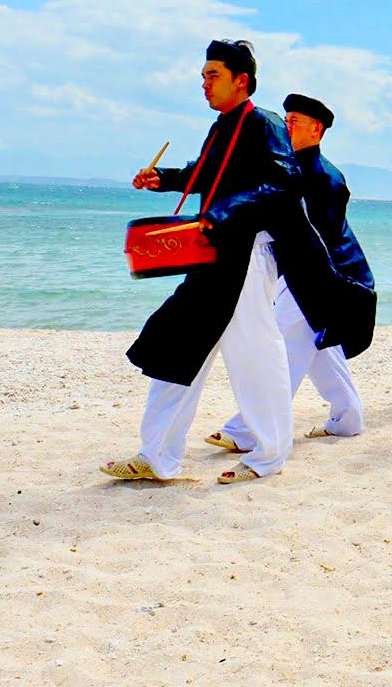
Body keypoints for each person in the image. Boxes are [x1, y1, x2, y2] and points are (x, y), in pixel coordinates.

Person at [104, 39, 297, 485]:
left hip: (247, 254)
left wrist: (220, 214)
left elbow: (283, 185)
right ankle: (157, 457)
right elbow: (205, 172)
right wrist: (164, 178)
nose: (204, 85)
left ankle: (269, 455)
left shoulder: (264, 124)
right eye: (203, 77)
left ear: (241, 80)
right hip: (215, 252)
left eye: (213, 76)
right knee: (177, 345)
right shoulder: (224, 125)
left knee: (254, 354)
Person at [208, 93, 376, 453]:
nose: (285, 126)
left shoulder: (326, 179)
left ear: (316, 130)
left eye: (294, 122)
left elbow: (321, 241)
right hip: (305, 275)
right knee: (319, 349)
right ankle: (348, 419)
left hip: (331, 279)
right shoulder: (288, 170)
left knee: (285, 346)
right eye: (284, 120)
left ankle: (246, 430)